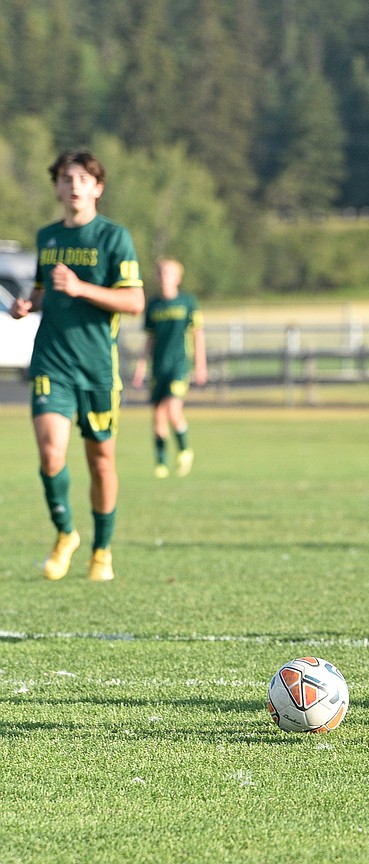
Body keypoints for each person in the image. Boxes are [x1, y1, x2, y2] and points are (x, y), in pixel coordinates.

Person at [10, 149, 144, 582]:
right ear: (57, 187)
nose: (73, 187)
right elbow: (43, 292)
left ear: (97, 189)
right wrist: (28, 304)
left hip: (98, 368)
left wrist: (83, 288)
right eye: (66, 179)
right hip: (51, 361)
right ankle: (65, 533)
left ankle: (102, 549)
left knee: (101, 460)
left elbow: (135, 302)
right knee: (51, 453)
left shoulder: (113, 238)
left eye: (82, 179)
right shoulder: (47, 237)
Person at [132, 258, 207, 478]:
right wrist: (141, 366)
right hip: (158, 368)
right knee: (157, 415)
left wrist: (200, 365)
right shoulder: (154, 305)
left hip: (178, 366)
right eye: (161, 273)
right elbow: (149, 340)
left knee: (173, 409)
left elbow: (198, 335)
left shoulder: (187, 302)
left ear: (177, 278)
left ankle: (184, 450)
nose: (164, 277)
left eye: (169, 273)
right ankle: (161, 463)